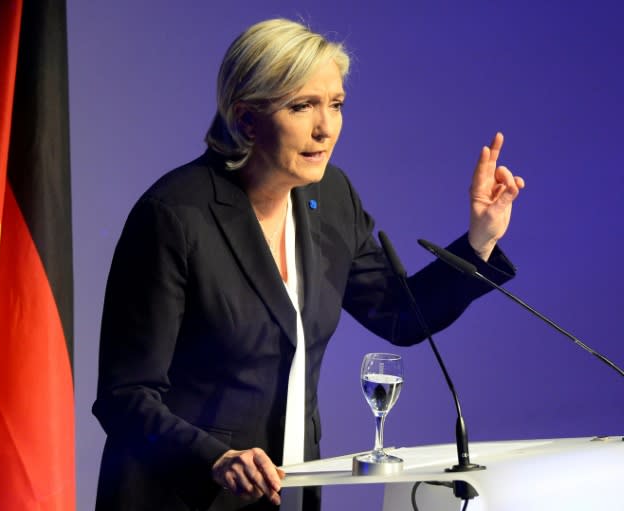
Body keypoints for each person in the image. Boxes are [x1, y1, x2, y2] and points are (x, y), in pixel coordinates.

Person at [92, 18, 524, 511]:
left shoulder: (331, 196)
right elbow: (125, 396)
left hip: (288, 492)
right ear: (246, 118)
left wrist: (479, 241)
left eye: (335, 105)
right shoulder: (173, 216)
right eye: (302, 106)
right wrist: (216, 458)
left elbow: (400, 315)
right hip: (180, 496)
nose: (326, 128)